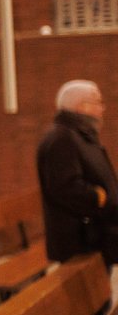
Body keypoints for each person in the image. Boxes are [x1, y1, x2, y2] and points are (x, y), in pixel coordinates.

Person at [37, 79, 118, 264]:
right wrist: (98, 196)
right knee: (88, 292)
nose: (103, 108)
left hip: (96, 236)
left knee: (101, 290)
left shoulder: (81, 135)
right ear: (82, 106)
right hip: (79, 240)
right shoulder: (61, 139)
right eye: (99, 102)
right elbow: (64, 187)